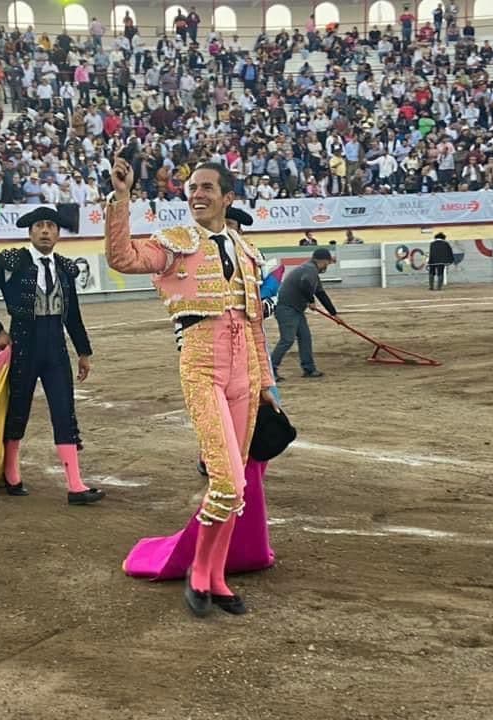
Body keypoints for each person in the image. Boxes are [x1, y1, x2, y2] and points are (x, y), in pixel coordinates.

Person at [106, 158, 279, 617]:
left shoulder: (246, 251)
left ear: (228, 197)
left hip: (246, 369)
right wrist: (122, 199)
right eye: (192, 188)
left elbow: (256, 322)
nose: (197, 194)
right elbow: (123, 259)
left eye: (206, 187)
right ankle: (200, 573)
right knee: (225, 481)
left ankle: (217, 576)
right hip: (202, 361)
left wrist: (268, 382)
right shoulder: (176, 244)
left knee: (238, 484)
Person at [0, 207, 103, 505]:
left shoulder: (65, 269)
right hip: (23, 345)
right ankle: (12, 473)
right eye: (40, 226)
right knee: (18, 408)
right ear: (30, 232)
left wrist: (83, 352)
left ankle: (75, 485)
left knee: (64, 409)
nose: (45, 231)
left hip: (55, 347)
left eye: (51, 226)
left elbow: (74, 316)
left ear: (57, 233)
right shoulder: (12, 262)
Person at [270, 248, 340, 380]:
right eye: (327, 263)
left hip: (295, 309)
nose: (327, 266)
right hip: (287, 309)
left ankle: (309, 369)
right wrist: (310, 300)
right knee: (287, 340)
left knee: (305, 337)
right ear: (322, 261)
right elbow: (305, 283)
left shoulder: (311, 270)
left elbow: (321, 294)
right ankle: (270, 370)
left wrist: (334, 313)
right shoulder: (310, 270)